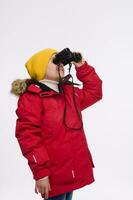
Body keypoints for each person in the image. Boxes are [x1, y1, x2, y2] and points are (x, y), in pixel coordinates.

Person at [10, 48, 103, 200]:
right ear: (40, 68)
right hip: (52, 173)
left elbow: (95, 92)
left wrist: (82, 66)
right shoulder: (32, 98)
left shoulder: (70, 93)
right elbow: (28, 137)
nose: (60, 64)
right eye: (54, 61)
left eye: (61, 61)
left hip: (71, 171)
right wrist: (41, 174)